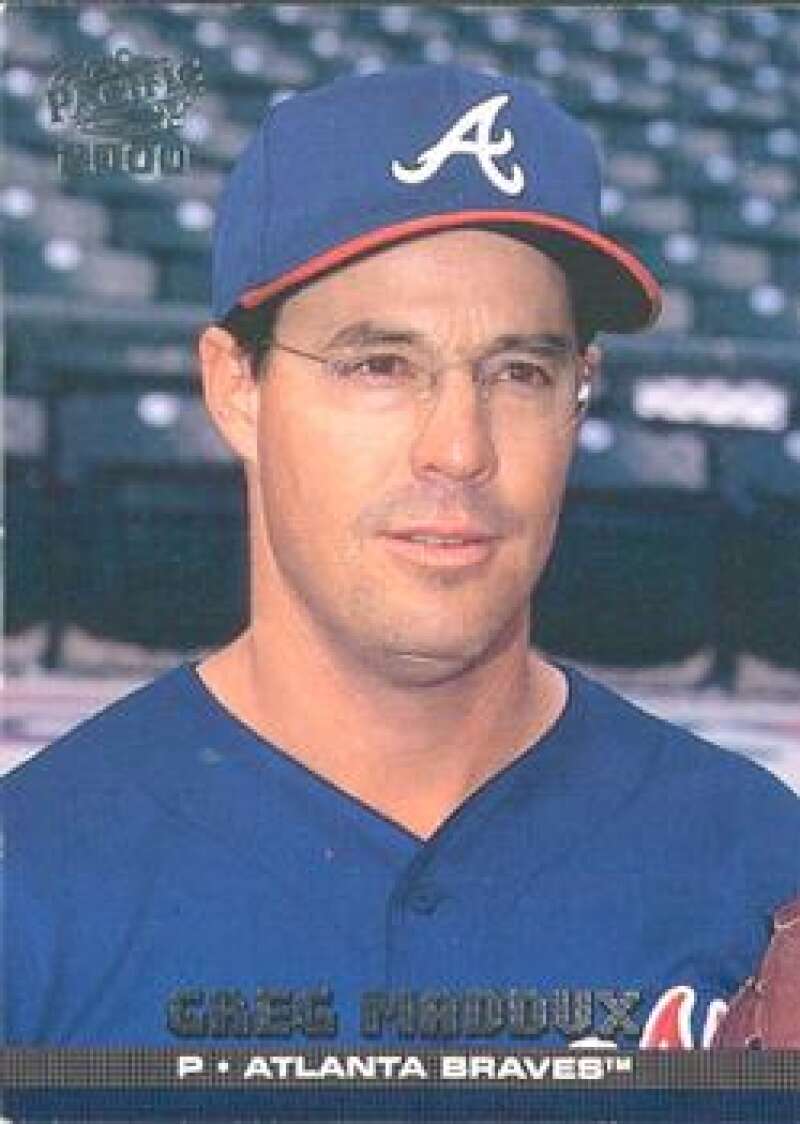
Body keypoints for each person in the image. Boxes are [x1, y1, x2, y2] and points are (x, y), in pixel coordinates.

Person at [5, 64, 799, 1049]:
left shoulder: (757, 865)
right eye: (379, 365)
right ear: (236, 388)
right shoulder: (32, 877)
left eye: (519, 371)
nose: (458, 447)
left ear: (578, 393)